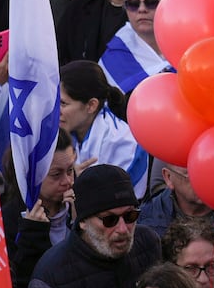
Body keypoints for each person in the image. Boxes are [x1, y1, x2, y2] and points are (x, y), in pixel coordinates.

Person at [23, 164, 163, 288]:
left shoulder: (148, 244)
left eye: (130, 216)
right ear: (82, 221)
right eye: (109, 220)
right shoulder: (53, 273)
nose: (123, 229)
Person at [6, 130, 79, 288]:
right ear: (29, 173)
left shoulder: (83, 204)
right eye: (56, 174)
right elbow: (21, 285)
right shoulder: (7, 219)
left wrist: (79, 224)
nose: (67, 181)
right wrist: (32, 234)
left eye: (70, 170)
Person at [60, 61, 148, 191]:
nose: (55, 110)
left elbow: (109, 203)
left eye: (63, 103)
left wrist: (75, 182)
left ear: (91, 105)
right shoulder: (64, 130)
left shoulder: (122, 142)